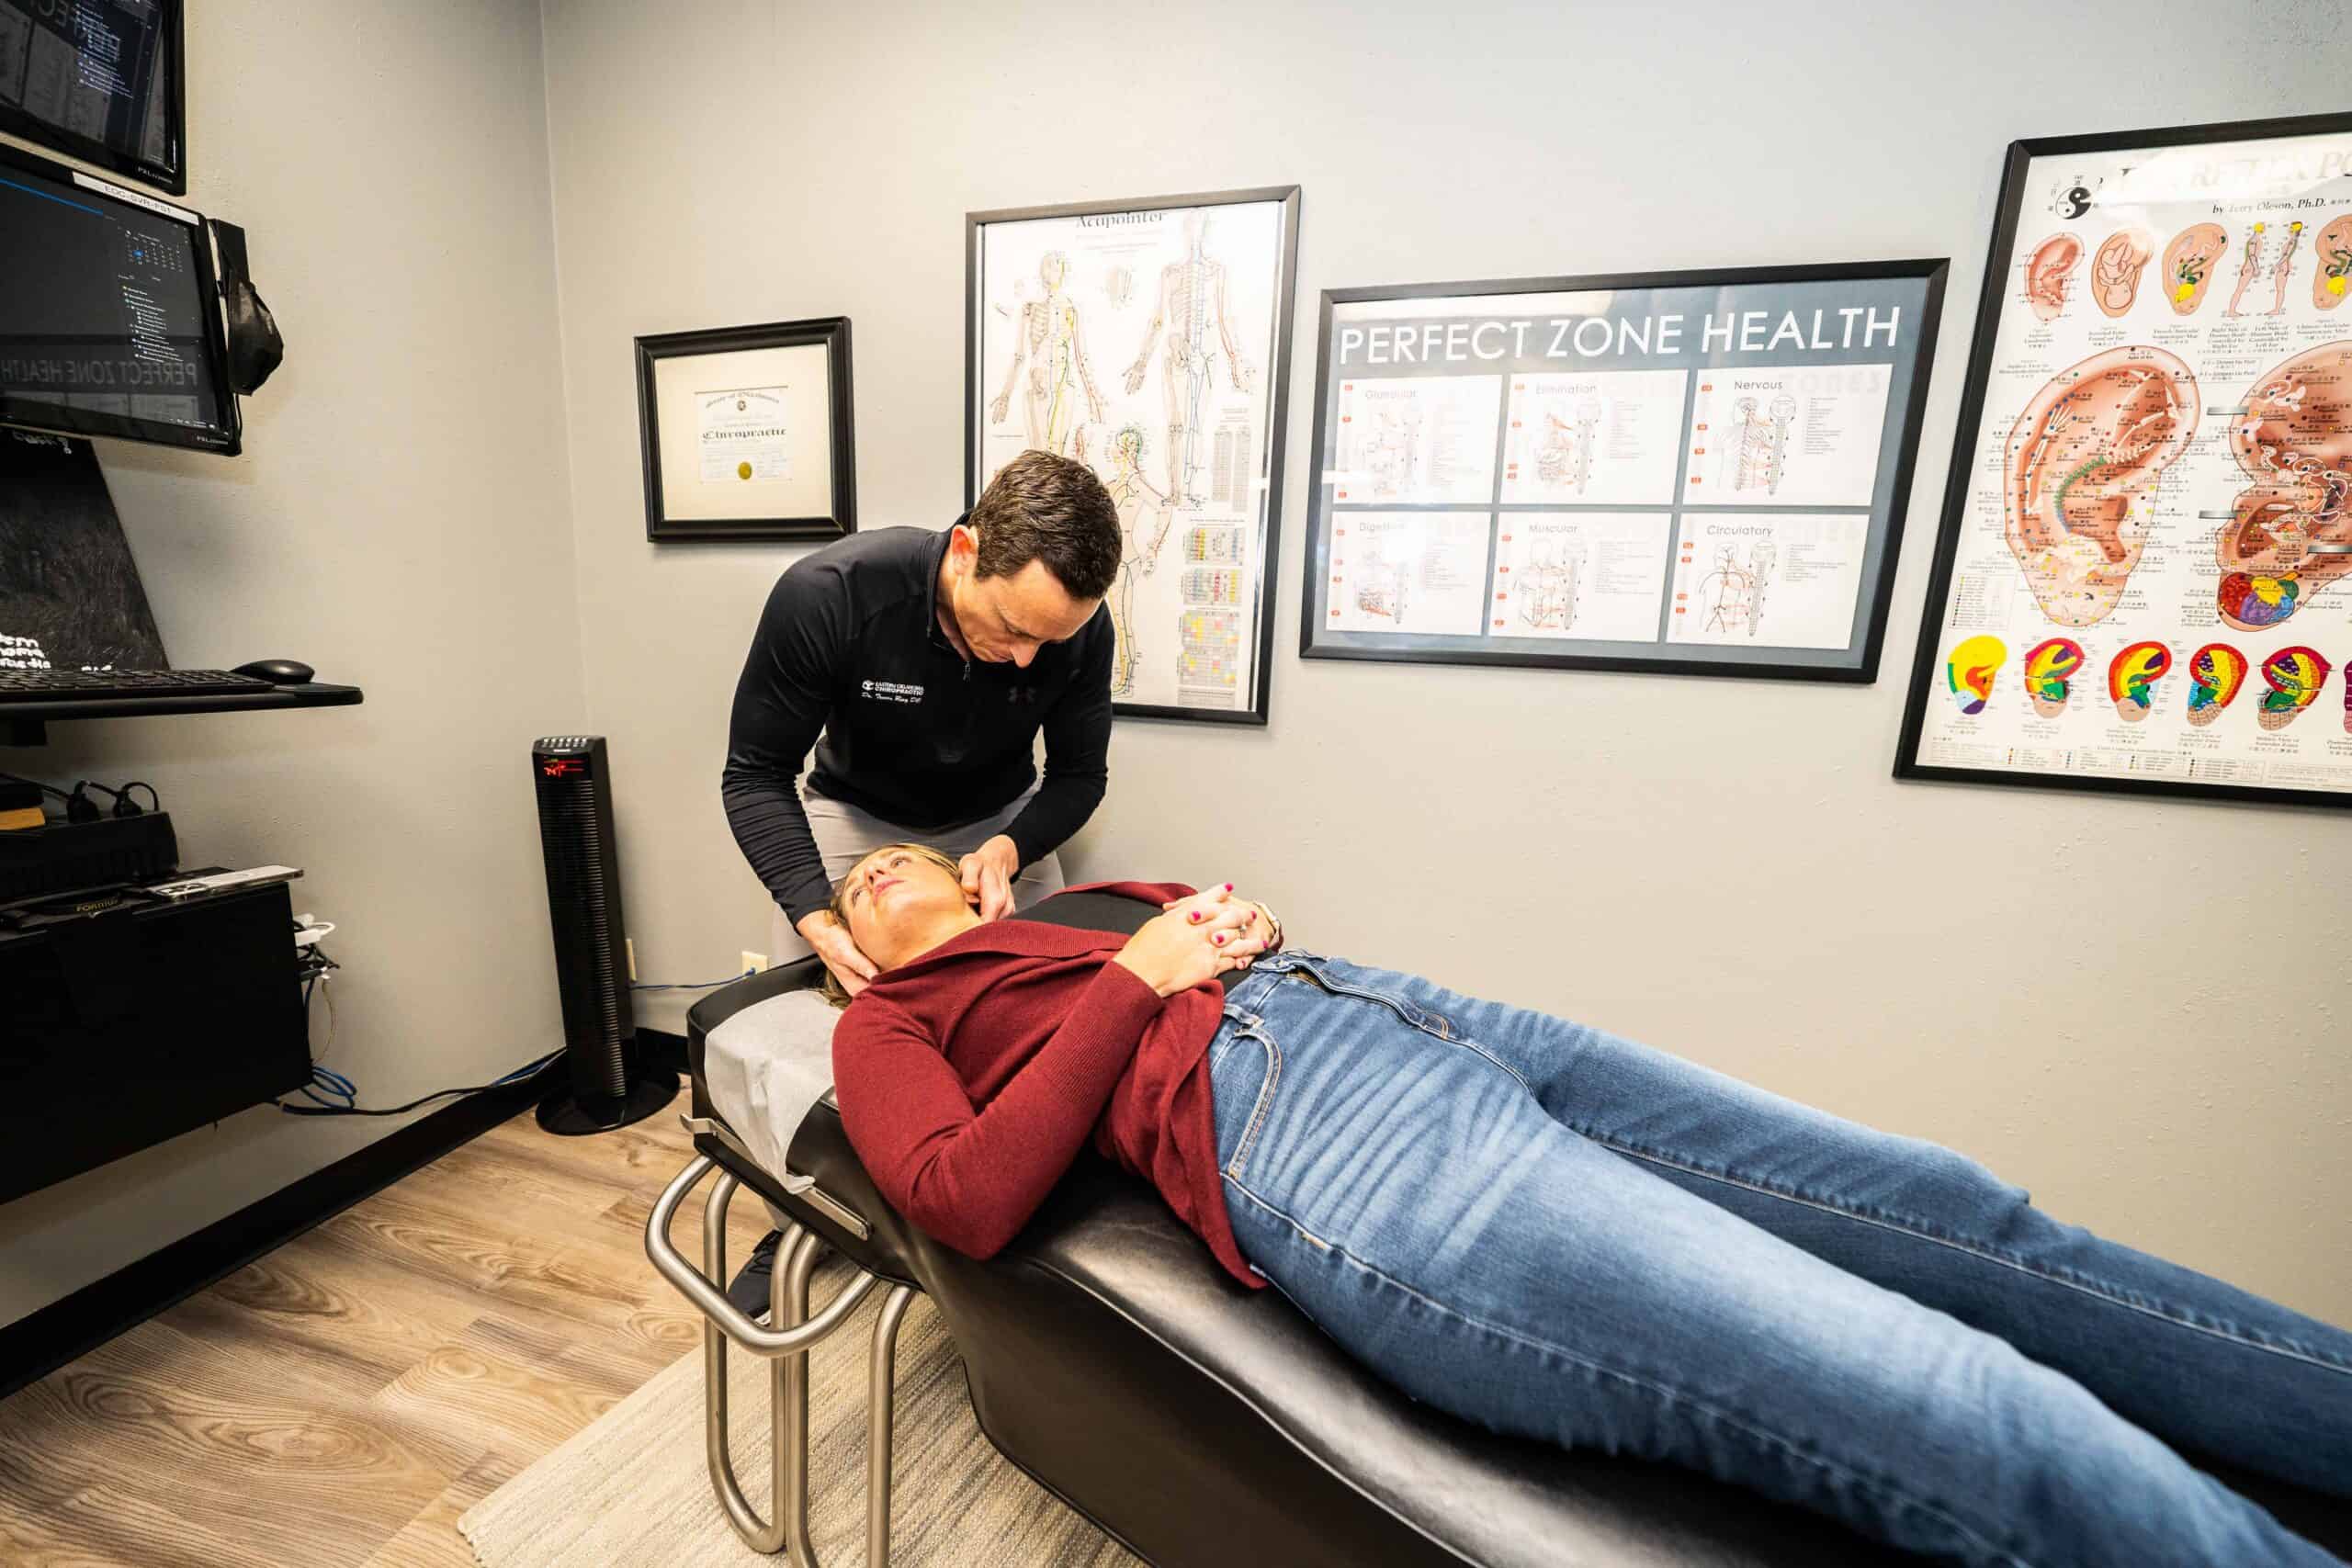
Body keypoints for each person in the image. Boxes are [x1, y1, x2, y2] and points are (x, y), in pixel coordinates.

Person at [819, 843, 2352, 1568]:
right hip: (1331, 1137)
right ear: (862, 947)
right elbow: (964, 1195)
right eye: (861, 877)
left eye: (904, 852)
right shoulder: (887, 1021)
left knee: (1967, 1217)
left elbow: (1212, 953)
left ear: (988, 873)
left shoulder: (1078, 900)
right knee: (1955, 1394)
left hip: (1411, 1014)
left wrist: (1221, 924)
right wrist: (1136, 982)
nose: (881, 866)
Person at [718, 450, 1122, 1310]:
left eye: (1046, 642)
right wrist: (808, 910)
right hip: (857, 820)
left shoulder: (1076, 631)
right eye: (1012, 628)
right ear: (967, 549)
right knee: (833, 1020)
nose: (1023, 662)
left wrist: (1013, 847)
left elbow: (1080, 777)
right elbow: (754, 774)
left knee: (1035, 1005)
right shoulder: (832, 595)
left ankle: (1012, 1209)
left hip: (995, 822)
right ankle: (799, 1213)